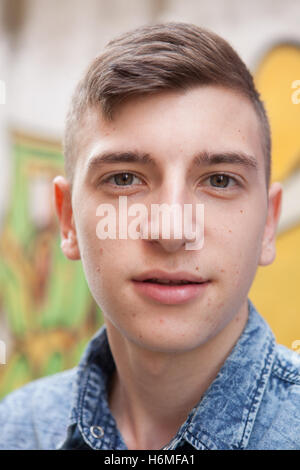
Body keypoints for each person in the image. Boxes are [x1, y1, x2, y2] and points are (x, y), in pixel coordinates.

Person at [0, 22, 299, 451]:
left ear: (268, 224)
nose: (172, 231)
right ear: (67, 219)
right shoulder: (16, 430)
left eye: (219, 180)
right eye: (124, 178)